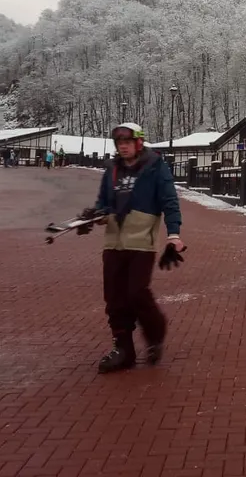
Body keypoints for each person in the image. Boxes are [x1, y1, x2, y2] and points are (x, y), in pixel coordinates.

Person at [78, 122, 185, 374]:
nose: (123, 146)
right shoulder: (112, 169)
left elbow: (169, 201)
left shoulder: (155, 167)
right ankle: (123, 349)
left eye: (127, 142)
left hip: (141, 242)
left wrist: (174, 235)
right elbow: (104, 203)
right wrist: (94, 216)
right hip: (114, 242)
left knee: (136, 292)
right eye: (119, 143)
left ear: (138, 142)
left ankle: (155, 332)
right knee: (114, 297)